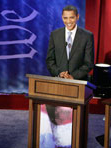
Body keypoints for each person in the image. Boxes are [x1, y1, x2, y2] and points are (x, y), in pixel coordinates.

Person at [42, 5, 94, 147]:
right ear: (62, 18)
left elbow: (89, 63)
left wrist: (73, 77)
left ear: (77, 17)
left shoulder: (87, 36)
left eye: (71, 17)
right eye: (65, 18)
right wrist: (59, 73)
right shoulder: (55, 34)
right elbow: (50, 60)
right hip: (58, 82)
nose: (68, 21)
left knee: (76, 124)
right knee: (58, 120)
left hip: (78, 85)